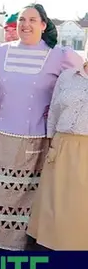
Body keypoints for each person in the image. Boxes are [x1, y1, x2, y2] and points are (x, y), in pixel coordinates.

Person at [0, 4, 81, 251]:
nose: (25, 25)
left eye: (32, 20)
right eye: (21, 20)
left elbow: (79, 85)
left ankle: (16, 249)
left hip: (34, 139)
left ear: (43, 25)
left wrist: (55, 108)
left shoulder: (61, 55)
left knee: (24, 197)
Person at [27, 56, 88, 250]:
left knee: (80, 209)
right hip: (61, 146)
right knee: (54, 206)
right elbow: (53, 112)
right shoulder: (67, 76)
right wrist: (51, 144)